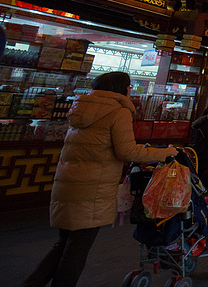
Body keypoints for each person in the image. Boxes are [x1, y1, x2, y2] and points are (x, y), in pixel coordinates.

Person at [24, 72, 177, 287]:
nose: (130, 90)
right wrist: (165, 153)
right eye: (129, 86)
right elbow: (127, 151)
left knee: (64, 243)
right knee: (77, 249)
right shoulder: (118, 111)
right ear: (122, 88)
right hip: (91, 190)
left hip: (68, 185)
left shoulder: (81, 107)